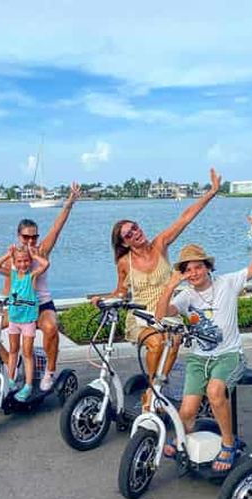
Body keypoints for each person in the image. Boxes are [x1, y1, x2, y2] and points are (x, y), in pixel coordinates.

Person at [155, 211, 252, 472]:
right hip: (199, 358)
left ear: (208, 266)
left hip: (229, 355)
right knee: (186, 412)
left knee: (215, 392)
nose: (194, 272)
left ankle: (228, 444)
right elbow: (161, 314)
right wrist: (170, 286)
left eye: (199, 266)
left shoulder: (228, 283)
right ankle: (184, 437)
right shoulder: (185, 296)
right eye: (188, 269)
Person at [97, 168, 222, 410]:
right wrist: (102, 299)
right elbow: (121, 293)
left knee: (173, 340)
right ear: (124, 243)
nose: (135, 233)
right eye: (128, 234)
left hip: (168, 313)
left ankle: (157, 388)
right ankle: (151, 392)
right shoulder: (125, 263)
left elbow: (185, 218)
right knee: (156, 343)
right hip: (141, 318)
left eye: (135, 227)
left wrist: (212, 191)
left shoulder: (160, 245)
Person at [0, 182, 81, 391]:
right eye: (26, 237)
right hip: (18, 307)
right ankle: (8, 360)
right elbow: (9, 285)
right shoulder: (12, 258)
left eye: (34, 236)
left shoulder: (42, 252)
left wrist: (69, 202)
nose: (31, 240)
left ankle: (49, 371)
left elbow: (57, 228)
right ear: (18, 236)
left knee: (50, 328)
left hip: (41, 306)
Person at [0, 245, 50, 401]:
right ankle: (11, 380)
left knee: (27, 353)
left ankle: (28, 385)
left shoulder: (32, 276)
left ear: (29, 262)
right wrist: (7, 254)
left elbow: (45, 264)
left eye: (26, 261)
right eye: (19, 261)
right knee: (13, 351)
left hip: (28, 321)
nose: (23, 264)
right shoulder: (12, 274)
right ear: (15, 262)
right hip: (14, 319)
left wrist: (33, 255)